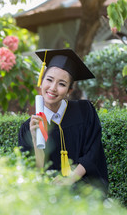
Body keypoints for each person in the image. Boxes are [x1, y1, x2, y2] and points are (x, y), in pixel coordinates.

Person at [18, 48, 108, 193]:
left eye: (62, 84)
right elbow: (36, 172)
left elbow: (93, 152)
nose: (53, 88)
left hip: (85, 188)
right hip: (51, 191)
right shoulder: (28, 127)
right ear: (41, 81)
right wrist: (35, 138)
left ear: (69, 91)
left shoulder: (84, 111)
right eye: (49, 80)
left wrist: (69, 180)